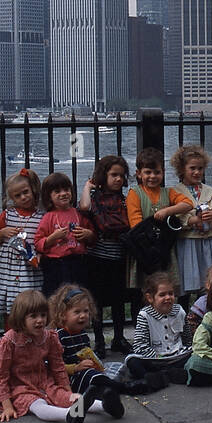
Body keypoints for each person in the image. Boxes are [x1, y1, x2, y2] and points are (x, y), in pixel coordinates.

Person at [0, 290, 113, 423]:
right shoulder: (7, 343)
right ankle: (68, 414)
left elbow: (58, 367)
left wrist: (68, 393)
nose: (40, 320)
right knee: (37, 405)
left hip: (45, 383)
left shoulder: (49, 337)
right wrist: (7, 406)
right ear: (21, 318)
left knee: (66, 397)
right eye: (33, 316)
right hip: (19, 388)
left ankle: (105, 405)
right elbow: (0, 377)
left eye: (43, 315)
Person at [48, 283, 125, 416]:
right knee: (93, 377)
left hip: (85, 374)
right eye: (77, 312)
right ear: (63, 314)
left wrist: (95, 363)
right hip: (68, 380)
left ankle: (105, 396)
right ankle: (107, 395)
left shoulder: (82, 334)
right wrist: (76, 368)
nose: (83, 316)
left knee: (112, 371)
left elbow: (87, 355)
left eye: (85, 311)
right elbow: (52, 367)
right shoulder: (58, 336)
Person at [80, 155, 131, 353]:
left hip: (118, 256)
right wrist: (87, 187)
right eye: (113, 175)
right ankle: (99, 341)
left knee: (118, 301)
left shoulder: (124, 201)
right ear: (104, 175)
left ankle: (119, 337)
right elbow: (84, 208)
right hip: (97, 256)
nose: (118, 179)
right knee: (97, 302)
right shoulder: (95, 198)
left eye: (121, 175)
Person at [125, 147, 192, 286]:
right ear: (139, 174)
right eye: (147, 172)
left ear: (163, 172)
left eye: (157, 172)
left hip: (164, 247)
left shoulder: (168, 192)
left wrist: (167, 211)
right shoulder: (135, 193)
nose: (152, 176)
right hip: (144, 249)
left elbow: (188, 203)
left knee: (165, 284)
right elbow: (135, 224)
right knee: (145, 286)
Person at [171, 144, 212, 303]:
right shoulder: (175, 191)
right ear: (182, 169)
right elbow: (175, 216)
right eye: (192, 168)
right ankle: (184, 316)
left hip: (207, 241)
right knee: (187, 278)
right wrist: (191, 220)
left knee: (209, 279)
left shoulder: (210, 191)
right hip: (188, 241)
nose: (197, 172)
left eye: (200, 168)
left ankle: (206, 311)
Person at [0, 168, 44, 320]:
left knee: (31, 305)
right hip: (9, 269)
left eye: (25, 192)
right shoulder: (7, 215)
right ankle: (10, 337)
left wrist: (40, 255)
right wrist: (2, 233)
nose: (23, 197)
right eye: (18, 195)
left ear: (33, 189)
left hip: (29, 267)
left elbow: (43, 240)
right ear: (12, 198)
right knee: (11, 307)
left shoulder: (42, 216)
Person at [34, 172, 94, 297]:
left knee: (78, 296)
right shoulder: (48, 217)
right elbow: (38, 243)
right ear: (49, 196)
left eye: (66, 189)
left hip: (78, 262)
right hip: (56, 265)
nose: (63, 194)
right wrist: (52, 238)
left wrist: (87, 234)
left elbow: (92, 237)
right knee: (56, 297)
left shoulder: (78, 214)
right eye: (57, 191)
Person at [127, 270, 189, 389]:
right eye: (162, 295)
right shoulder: (144, 315)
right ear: (150, 298)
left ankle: (167, 374)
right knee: (132, 361)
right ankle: (154, 377)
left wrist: (187, 351)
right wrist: (158, 357)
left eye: (170, 293)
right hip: (154, 359)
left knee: (195, 355)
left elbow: (187, 338)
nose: (168, 298)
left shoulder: (179, 311)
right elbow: (139, 346)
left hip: (177, 357)